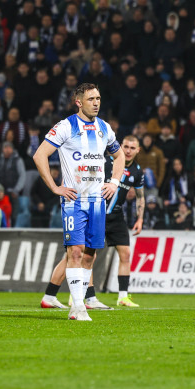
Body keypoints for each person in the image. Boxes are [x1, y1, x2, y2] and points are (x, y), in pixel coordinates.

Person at [31, 83, 124, 321]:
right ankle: (78, 307)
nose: (96, 102)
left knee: (90, 255)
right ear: (79, 102)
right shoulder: (65, 126)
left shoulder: (105, 128)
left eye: (99, 98)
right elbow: (39, 155)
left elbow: (119, 154)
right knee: (74, 252)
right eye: (91, 98)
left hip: (98, 201)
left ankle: (79, 302)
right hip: (74, 201)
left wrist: (114, 181)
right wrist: (54, 187)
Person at [42, 134, 145, 310]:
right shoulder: (104, 162)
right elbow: (82, 177)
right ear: (120, 146)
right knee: (78, 254)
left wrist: (140, 218)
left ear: (138, 150)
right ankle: (76, 296)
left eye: (132, 148)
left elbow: (141, 196)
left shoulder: (137, 171)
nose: (127, 151)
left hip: (115, 215)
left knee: (115, 254)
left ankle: (116, 297)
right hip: (93, 211)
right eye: (125, 147)